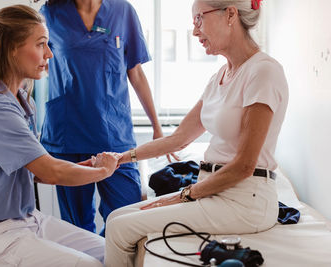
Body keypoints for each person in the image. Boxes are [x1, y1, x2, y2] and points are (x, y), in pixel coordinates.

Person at [104, 0, 289, 266]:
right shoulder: (220, 77)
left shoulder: (263, 72)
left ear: (231, 15)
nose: (194, 32)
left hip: (246, 201)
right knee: (115, 219)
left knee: (121, 229)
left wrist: (187, 194)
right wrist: (120, 158)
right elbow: (178, 139)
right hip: (216, 190)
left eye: (199, 19)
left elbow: (245, 165)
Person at [0, 5, 121, 267]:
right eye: (41, 44)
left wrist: (83, 167)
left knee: (115, 254)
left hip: (25, 221)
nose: (50, 54)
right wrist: (103, 172)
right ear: (11, 48)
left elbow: (37, 171)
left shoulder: (20, 100)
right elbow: (51, 171)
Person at [39, 0, 167, 237]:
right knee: (76, 227)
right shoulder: (50, 14)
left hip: (115, 136)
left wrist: (157, 128)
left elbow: (136, 73)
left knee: (127, 218)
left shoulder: (123, 11)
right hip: (67, 135)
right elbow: (34, 63)